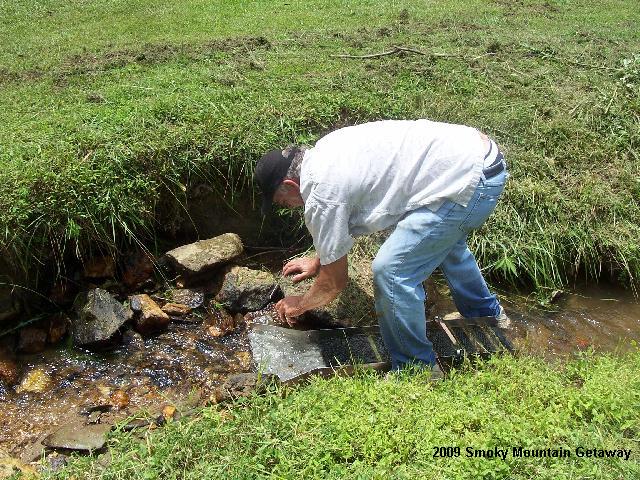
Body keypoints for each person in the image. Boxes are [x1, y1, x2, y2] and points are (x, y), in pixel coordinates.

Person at [254, 119, 509, 372]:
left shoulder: (322, 194)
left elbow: (334, 283)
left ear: (290, 185)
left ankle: (416, 369)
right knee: (443, 242)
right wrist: (320, 258)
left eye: (279, 200)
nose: (283, 207)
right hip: (479, 156)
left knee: (391, 272)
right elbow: (337, 224)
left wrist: (299, 304)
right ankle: (489, 316)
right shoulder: (323, 153)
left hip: (469, 180)